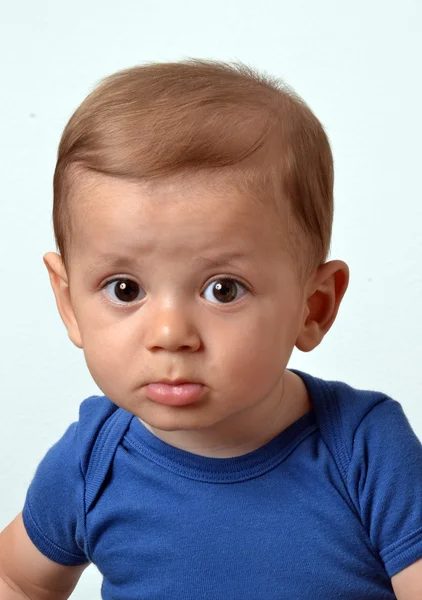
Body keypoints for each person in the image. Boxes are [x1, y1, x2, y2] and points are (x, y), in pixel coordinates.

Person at [0, 59, 421, 600]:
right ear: (70, 303)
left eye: (224, 289)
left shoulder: (365, 449)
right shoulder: (90, 462)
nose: (171, 333)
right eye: (125, 289)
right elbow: (17, 579)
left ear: (313, 307)